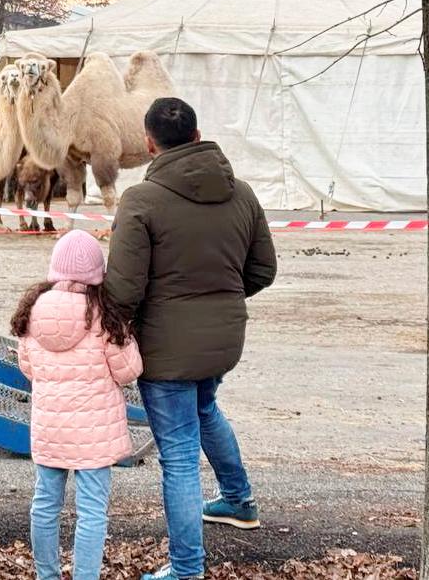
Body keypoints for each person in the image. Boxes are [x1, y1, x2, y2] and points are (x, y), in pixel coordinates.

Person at [103, 97, 278, 580]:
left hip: (166, 346)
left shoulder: (141, 200)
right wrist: (218, 297)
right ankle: (239, 501)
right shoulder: (241, 193)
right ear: (198, 136)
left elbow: (123, 289)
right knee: (205, 409)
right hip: (223, 338)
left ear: (148, 142)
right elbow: (264, 268)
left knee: (178, 452)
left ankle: (185, 569)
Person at [12, 230, 144, 580]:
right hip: (94, 435)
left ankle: (47, 575)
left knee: (44, 506)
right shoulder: (104, 317)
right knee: (92, 512)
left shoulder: (33, 312)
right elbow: (129, 370)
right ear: (97, 274)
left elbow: (28, 367)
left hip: (51, 428)